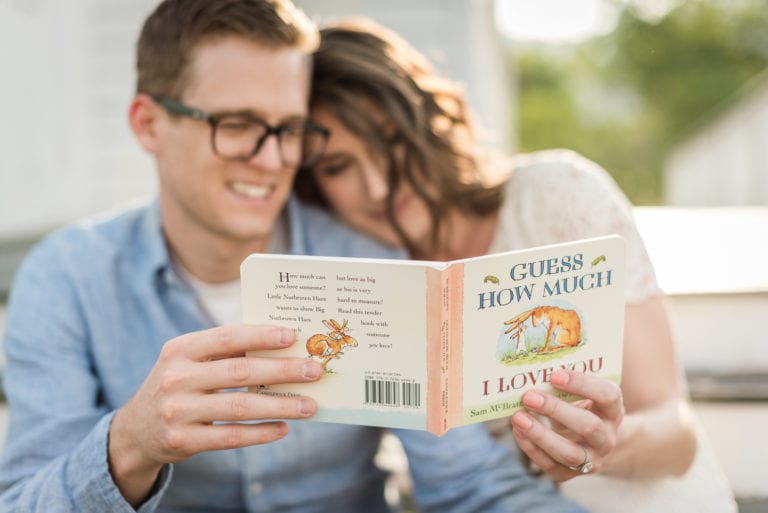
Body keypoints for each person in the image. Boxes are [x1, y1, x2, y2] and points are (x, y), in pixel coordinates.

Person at [0, 2, 590, 512]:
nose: (271, 159)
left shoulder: (375, 264)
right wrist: (129, 444)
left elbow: (468, 486)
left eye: (289, 130)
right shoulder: (66, 279)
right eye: (237, 125)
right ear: (148, 124)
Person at [296, 18, 697, 484]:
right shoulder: (350, 272)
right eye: (338, 166)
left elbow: (677, 435)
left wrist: (603, 447)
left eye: (390, 141)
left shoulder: (556, 197)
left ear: (431, 117)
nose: (378, 186)